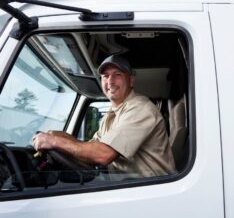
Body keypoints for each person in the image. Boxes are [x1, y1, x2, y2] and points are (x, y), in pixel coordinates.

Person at [32, 55, 175, 178]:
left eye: (117, 74)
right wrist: (59, 136)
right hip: (130, 186)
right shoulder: (112, 113)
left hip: (151, 190)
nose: (110, 81)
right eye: (105, 76)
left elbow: (103, 155)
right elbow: (93, 146)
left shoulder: (140, 108)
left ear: (131, 80)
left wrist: (55, 142)